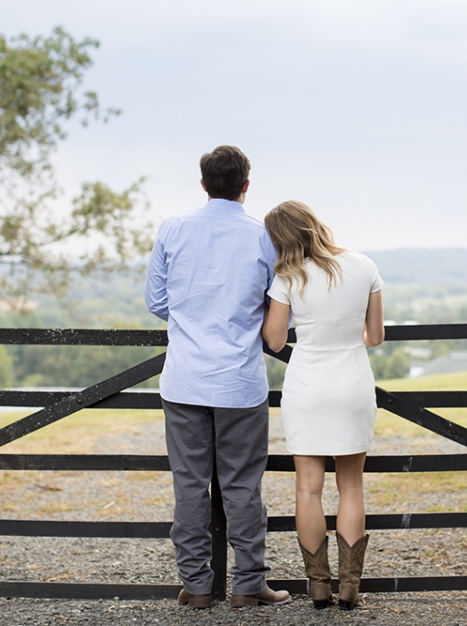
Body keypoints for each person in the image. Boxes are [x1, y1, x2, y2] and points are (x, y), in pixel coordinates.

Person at [145, 146, 290, 609]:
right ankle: (248, 585)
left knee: (189, 486)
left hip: (184, 380)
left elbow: (156, 302)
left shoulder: (173, 228)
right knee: (243, 487)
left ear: (203, 183)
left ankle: (197, 586)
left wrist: (192, 316)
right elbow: (279, 305)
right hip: (239, 384)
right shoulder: (265, 237)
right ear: (246, 185)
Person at [261, 200, 384, 610]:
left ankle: (318, 585)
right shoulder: (364, 266)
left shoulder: (286, 276)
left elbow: (275, 341)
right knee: (351, 486)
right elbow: (375, 336)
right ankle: (350, 586)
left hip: (307, 386)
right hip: (352, 382)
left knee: (307, 488)